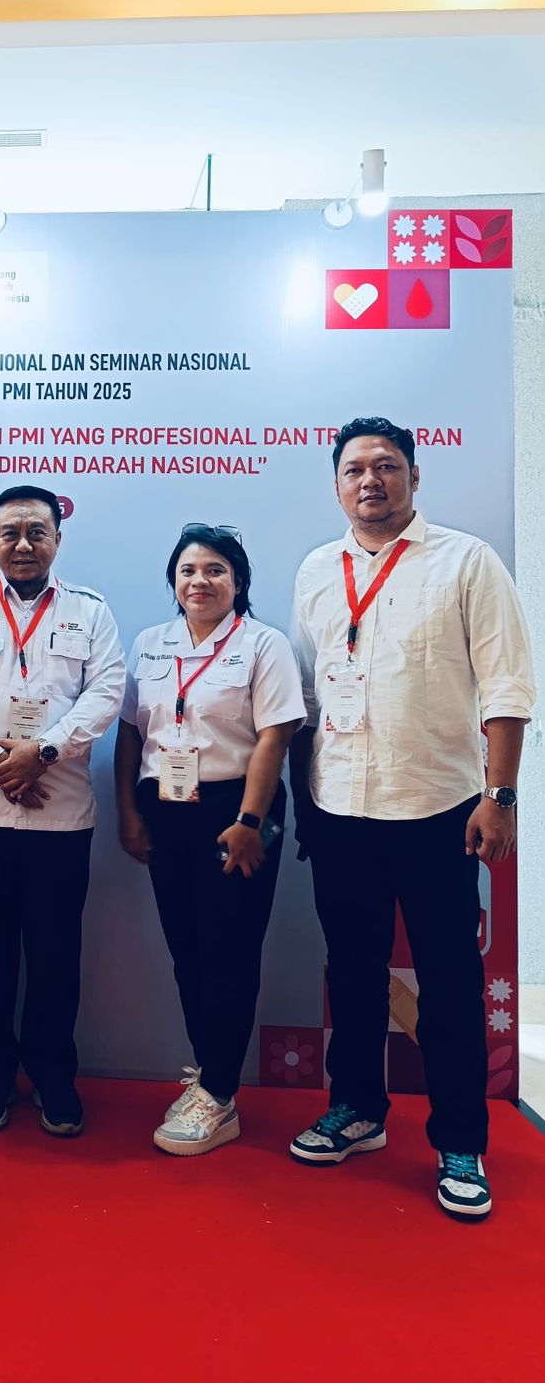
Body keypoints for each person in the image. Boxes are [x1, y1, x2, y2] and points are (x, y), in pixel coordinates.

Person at [288, 416, 535, 1219]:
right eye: (355, 468)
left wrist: (500, 796)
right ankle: (357, 1108)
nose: (371, 480)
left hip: (438, 811)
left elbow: (507, 686)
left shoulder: (467, 561)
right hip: (339, 810)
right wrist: (304, 807)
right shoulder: (316, 570)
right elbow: (306, 697)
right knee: (352, 972)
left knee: (451, 980)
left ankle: (460, 1140)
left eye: (387, 466)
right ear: (337, 485)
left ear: (415, 477)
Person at [0, 485, 125, 1137]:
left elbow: (107, 691)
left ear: (58, 539)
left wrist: (45, 751)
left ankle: (53, 1077)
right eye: (10, 532)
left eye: (37, 531)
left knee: (55, 956)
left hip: (61, 815)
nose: (23, 544)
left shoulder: (91, 611)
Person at [115, 524, 305, 1155]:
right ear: (174, 581)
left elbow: (275, 737)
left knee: (230, 950)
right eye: (189, 570)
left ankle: (219, 1093)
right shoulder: (150, 644)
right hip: (166, 808)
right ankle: (210, 1073)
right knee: (188, 949)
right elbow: (130, 734)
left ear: (238, 581)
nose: (200, 581)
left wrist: (250, 824)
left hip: (237, 813)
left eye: (215, 570)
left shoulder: (262, 644)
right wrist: (129, 812)